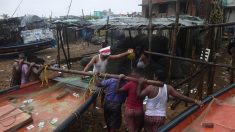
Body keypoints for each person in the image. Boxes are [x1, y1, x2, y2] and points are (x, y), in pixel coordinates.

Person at [137, 70, 202, 132]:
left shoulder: (150, 87)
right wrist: (195, 101)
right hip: (161, 117)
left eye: (154, 76)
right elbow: (181, 96)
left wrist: (140, 84)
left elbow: (139, 95)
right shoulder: (168, 88)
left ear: (156, 77)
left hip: (149, 116)